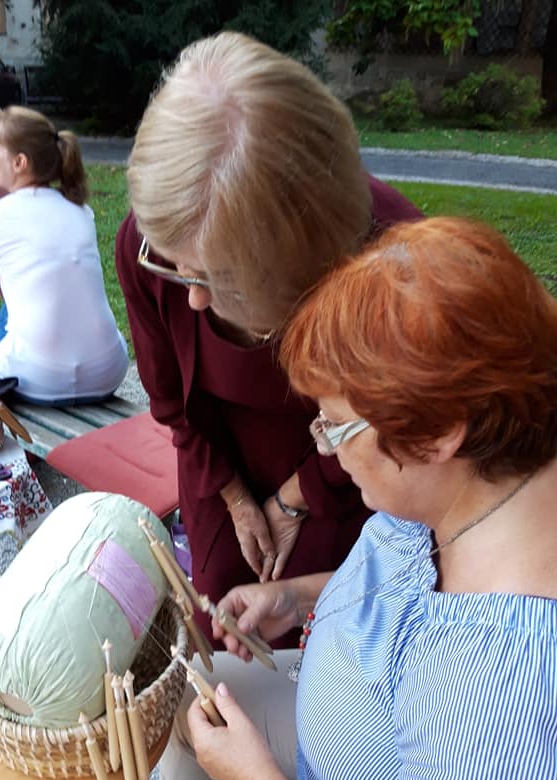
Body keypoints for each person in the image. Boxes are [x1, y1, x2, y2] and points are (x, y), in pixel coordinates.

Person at [78, 216, 557, 780]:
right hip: (362, 750)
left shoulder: (499, 691)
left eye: (334, 429)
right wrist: (301, 597)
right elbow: (418, 595)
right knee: (194, 685)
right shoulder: (491, 478)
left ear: (437, 436)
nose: (324, 449)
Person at [117, 32, 422, 646]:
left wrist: (294, 498)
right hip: (216, 457)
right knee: (221, 614)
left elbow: (388, 429)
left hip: (347, 467)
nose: (193, 299)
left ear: (308, 261)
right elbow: (173, 405)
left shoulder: (394, 266)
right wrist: (234, 498)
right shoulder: (154, 243)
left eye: (222, 279)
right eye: (178, 269)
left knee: (334, 638)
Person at [0, 106, 128, 404]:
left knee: (13, 308)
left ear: (19, 162)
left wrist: (3, 201)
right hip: (107, 372)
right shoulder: (83, 211)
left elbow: (8, 296)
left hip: (37, 380)